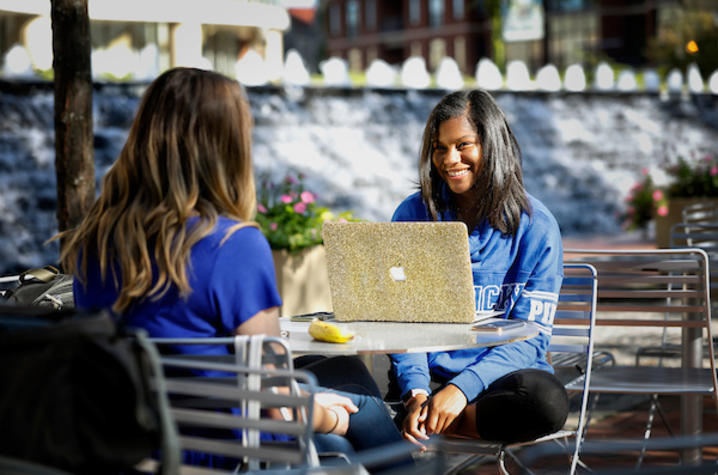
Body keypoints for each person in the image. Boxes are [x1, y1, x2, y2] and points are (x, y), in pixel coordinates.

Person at [59, 67, 405, 469]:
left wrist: (303, 398)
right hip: (226, 450)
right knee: (360, 409)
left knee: (344, 369)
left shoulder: (94, 242)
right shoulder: (232, 245)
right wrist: (331, 416)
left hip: (132, 442)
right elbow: (275, 406)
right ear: (225, 146)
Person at [390, 89, 569, 448]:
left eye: (463, 145)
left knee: (546, 402)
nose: (449, 159)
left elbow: (530, 337)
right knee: (320, 371)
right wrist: (417, 391)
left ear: (492, 145)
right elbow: (399, 322)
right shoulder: (412, 216)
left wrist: (460, 389)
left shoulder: (537, 227)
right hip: (423, 380)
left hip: (496, 383)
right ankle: (416, 415)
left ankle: (417, 425)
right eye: (439, 148)